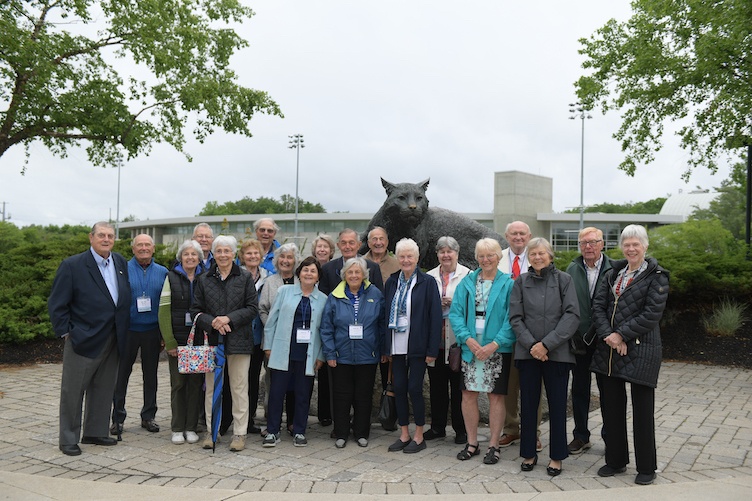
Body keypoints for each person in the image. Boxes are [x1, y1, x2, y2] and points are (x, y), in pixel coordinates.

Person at [591, 225, 669, 486]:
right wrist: (610, 337)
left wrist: (621, 335)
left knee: (642, 411)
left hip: (642, 349)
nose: (631, 248)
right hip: (610, 351)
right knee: (611, 408)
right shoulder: (613, 273)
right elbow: (598, 307)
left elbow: (651, 314)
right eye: (627, 244)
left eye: (636, 244)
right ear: (622, 247)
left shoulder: (657, 275)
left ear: (645, 246)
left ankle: (646, 466)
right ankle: (616, 460)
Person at [48, 222, 131, 456]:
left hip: (114, 336)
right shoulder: (73, 265)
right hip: (83, 338)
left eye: (111, 236)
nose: (106, 239)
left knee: (104, 388)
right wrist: (67, 332)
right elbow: (57, 304)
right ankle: (68, 439)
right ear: (91, 238)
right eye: (102, 235)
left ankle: (95, 432)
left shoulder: (120, 263)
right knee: (73, 391)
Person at [510, 237, 579, 477]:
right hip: (528, 354)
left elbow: (571, 315)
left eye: (541, 253)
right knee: (528, 406)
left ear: (550, 255)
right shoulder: (521, 281)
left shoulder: (564, 280)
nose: (537, 257)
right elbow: (515, 318)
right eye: (533, 254)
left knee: (558, 406)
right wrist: (532, 345)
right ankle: (528, 453)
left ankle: (557, 457)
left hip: (557, 354)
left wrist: (547, 345)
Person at [449, 238, 515, 464]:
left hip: (496, 348)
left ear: (499, 257)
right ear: (476, 257)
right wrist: (467, 340)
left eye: (490, 255)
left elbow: (512, 318)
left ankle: (494, 445)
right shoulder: (467, 282)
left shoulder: (508, 284)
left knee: (496, 396)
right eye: (481, 255)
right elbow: (456, 314)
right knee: (468, 395)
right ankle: (473, 442)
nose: (486, 259)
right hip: (470, 347)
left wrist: (494, 344)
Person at [191, 235, 258, 452]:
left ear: (233, 253)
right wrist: (212, 322)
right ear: (214, 253)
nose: (222, 255)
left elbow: (252, 309)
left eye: (226, 251)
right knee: (211, 388)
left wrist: (228, 319)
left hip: (239, 341)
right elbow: (195, 311)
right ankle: (212, 432)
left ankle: (239, 434)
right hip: (212, 341)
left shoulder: (245, 277)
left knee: (239, 388)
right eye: (218, 251)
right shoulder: (203, 279)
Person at [317, 229, 384, 429]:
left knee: (363, 393)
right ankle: (340, 428)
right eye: (343, 243)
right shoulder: (329, 270)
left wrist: (382, 348)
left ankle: (361, 429)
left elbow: (380, 312)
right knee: (339, 392)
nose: (347, 246)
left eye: (351, 242)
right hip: (341, 346)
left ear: (358, 244)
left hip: (366, 349)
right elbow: (325, 313)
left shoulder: (373, 273)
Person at [383, 238, 442, 454]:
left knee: (414, 389)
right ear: (397, 258)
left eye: (410, 256)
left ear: (417, 259)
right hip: (396, 345)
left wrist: (431, 350)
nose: (406, 260)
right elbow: (383, 314)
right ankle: (404, 433)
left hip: (417, 345)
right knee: (398, 389)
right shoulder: (391, 282)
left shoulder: (427, 282)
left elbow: (435, 318)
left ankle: (419, 435)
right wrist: (385, 347)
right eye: (402, 256)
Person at [263, 256, 327, 447]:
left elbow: (324, 330)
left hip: (307, 354)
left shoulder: (323, 299)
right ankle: (272, 431)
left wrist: (321, 356)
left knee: (302, 393)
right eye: (305, 269)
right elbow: (271, 321)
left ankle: (299, 430)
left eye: (313, 271)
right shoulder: (284, 292)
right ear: (299, 273)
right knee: (276, 393)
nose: (309, 273)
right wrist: (268, 345)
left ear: (318, 277)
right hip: (283, 350)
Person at [111, 234, 168, 435]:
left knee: (151, 375)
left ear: (153, 249)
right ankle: (117, 418)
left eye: (147, 245)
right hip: (128, 330)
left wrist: (164, 335)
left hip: (152, 330)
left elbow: (166, 305)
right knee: (121, 375)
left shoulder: (163, 272)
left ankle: (148, 416)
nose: (143, 248)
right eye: (139, 245)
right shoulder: (121, 270)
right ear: (133, 249)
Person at [565, 227, 612, 455]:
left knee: (607, 390)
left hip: (606, 341)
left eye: (593, 242)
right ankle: (581, 436)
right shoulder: (572, 269)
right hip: (580, 341)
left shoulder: (614, 269)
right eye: (584, 243)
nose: (588, 247)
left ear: (602, 244)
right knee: (580, 389)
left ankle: (610, 436)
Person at [498, 221, 542, 452]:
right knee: (508, 384)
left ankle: (532, 432)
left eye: (522, 233)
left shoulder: (537, 258)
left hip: (531, 332)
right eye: (513, 233)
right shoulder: (498, 258)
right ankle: (511, 429)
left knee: (532, 385)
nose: (518, 237)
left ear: (529, 236)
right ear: (506, 236)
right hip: (504, 331)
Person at [158, 240, 206, 445]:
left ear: (199, 258)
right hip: (178, 341)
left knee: (196, 384)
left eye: (194, 255)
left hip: (197, 341)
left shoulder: (205, 277)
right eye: (186, 254)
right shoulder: (170, 277)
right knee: (178, 384)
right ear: (181, 257)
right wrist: (169, 341)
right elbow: (163, 311)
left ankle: (191, 427)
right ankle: (177, 427)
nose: (190, 258)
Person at [425, 236, 470, 445]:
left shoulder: (467, 275)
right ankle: (437, 427)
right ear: (437, 255)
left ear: (457, 253)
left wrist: (454, 303)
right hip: (436, 339)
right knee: (437, 386)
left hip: (457, 340)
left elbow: (472, 303)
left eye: (449, 251)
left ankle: (461, 429)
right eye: (442, 252)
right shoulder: (429, 277)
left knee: (459, 387)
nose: (445, 255)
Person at [258, 243, 300, 433]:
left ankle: (292, 422)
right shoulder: (270, 282)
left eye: (289, 257)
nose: (285, 261)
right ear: (276, 261)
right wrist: (274, 328)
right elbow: (263, 308)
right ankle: (272, 422)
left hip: (298, 341)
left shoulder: (302, 281)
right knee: (274, 383)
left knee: (294, 383)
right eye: (282, 257)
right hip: (274, 340)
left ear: (295, 261)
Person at [240, 239, 269, 435]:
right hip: (239, 336)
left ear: (261, 256)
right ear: (242, 257)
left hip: (259, 336)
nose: (252, 257)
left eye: (256, 254)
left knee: (252, 380)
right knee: (235, 380)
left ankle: (248, 420)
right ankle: (230, 419)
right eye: (248, 254)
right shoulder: (237, 276)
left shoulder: (268, 278)